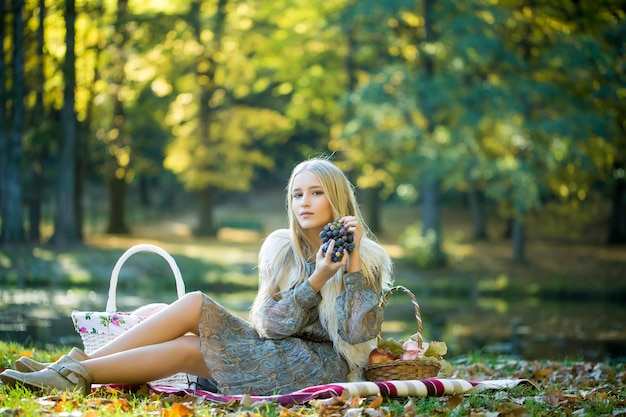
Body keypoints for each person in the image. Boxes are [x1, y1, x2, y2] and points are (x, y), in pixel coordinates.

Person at [0, 157, 393, 396]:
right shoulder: (281, 250)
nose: (304, 202)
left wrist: (350, 263)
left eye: (316, 193)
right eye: (296, 194)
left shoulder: (368, 259)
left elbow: (359, 339)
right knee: (194, 304)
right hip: (273, 348)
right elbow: (269, 326)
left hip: (319, 367)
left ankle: (72, 375)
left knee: (192, 349)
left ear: (336, 199)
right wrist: (315, 279)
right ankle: (72, 366)